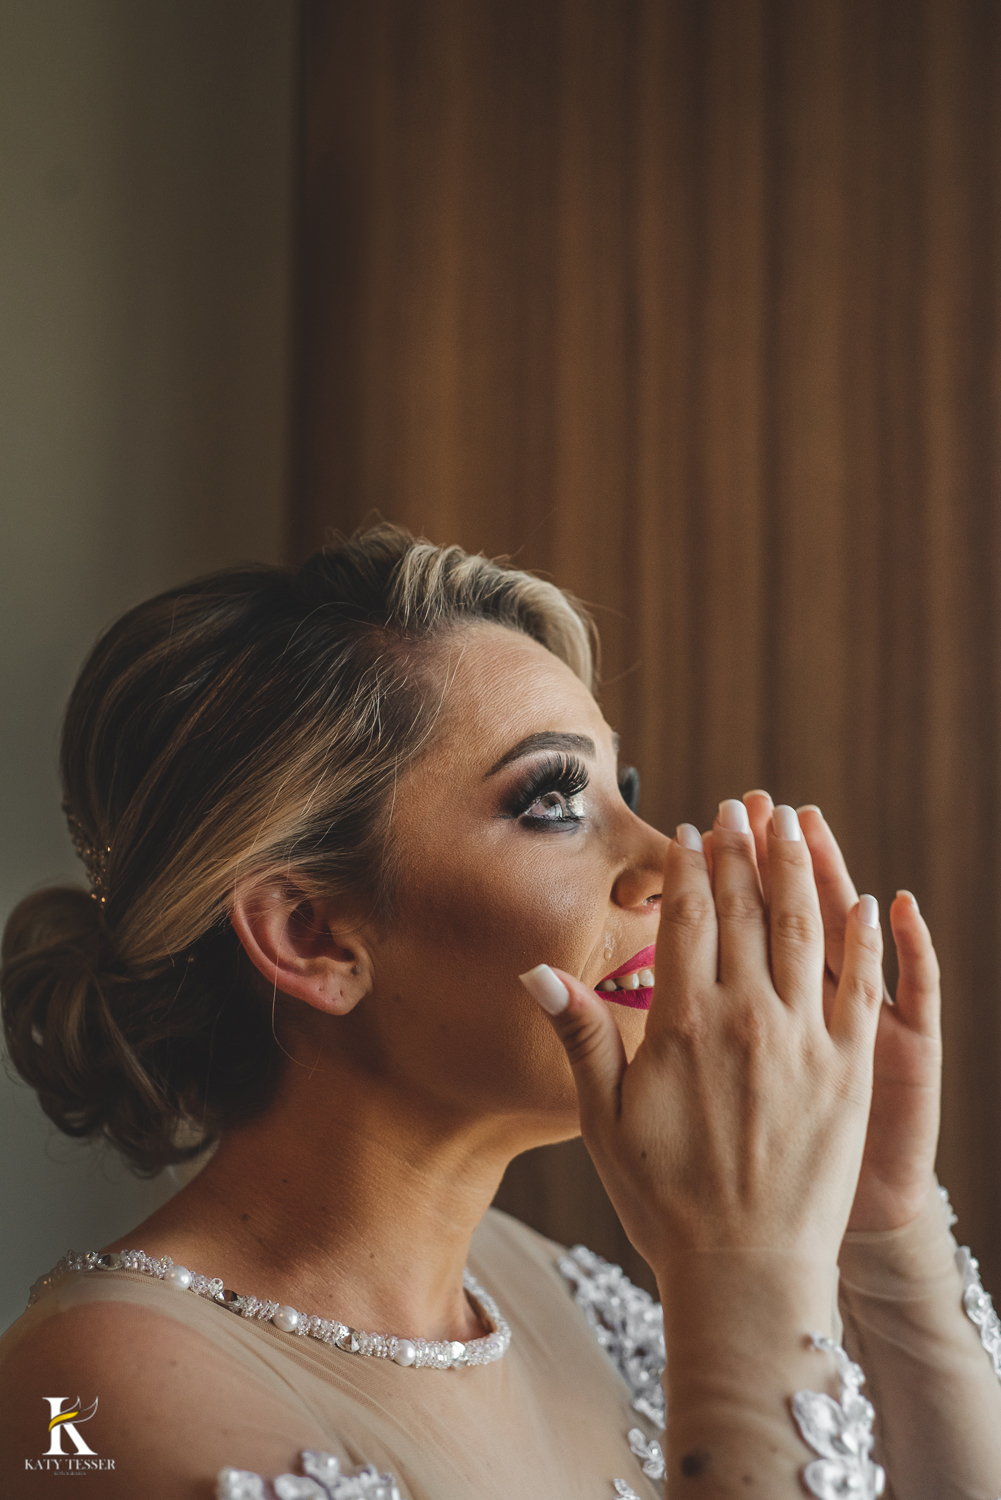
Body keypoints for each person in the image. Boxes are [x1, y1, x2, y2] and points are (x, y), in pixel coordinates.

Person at [0, 525, 999, 1500]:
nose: (666, 859)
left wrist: (880, 1227)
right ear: (311, 934)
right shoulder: (85, 1397)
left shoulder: (548, 1289)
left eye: (626, 789)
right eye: (553, 800)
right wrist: (745, 1270)